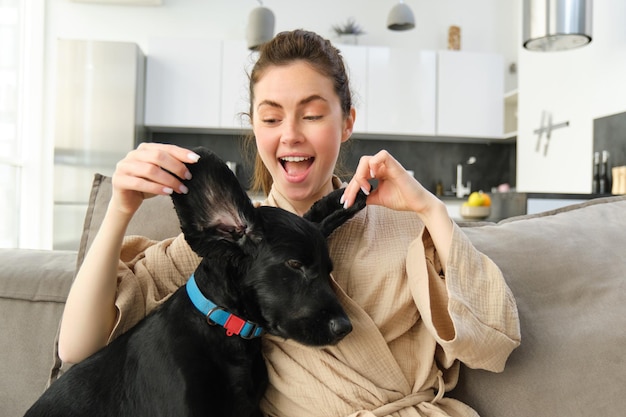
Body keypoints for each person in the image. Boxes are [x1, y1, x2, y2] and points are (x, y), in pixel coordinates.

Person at [58, 29, 520, 416]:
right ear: (255, 128)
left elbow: (493, 345)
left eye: (313, 114)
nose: (291, 134)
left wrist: (431, 211)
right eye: (272, 117)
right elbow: (78, 348)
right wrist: (120, 207)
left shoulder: (404, 230)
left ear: (347, 123)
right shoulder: (228, 246)